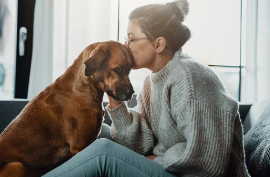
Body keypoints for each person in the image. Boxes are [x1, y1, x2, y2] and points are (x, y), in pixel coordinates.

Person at [43, 0, 250, 176]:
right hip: (171, 170)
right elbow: (141, 143)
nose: (125, 45)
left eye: (131, 38)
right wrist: (113, 92)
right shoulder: (153, 81)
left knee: (103, 151)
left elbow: (207, 159)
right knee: (102, 133)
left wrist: (157, 160)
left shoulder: (191, 78)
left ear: (159, 44)